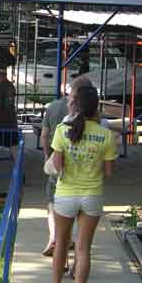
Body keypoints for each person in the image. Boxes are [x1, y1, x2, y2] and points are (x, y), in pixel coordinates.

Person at [44, 85, 118, 283]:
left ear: (76, 105)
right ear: (96, 107)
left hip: (66, 194)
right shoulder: (106, 135)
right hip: (92, 195)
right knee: (84, 248)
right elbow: (109, 172)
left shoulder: (62, 130)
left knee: (61, 244)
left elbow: (57, 166)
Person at [40, 76, 93, 257]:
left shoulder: (54, 108)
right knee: (79, 212)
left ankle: (54, 238)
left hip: (59, 166)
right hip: (84, 175)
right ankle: (72, 243)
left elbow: (44, 135)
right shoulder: (93, 115)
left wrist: (47, 155)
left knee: (52, 203)